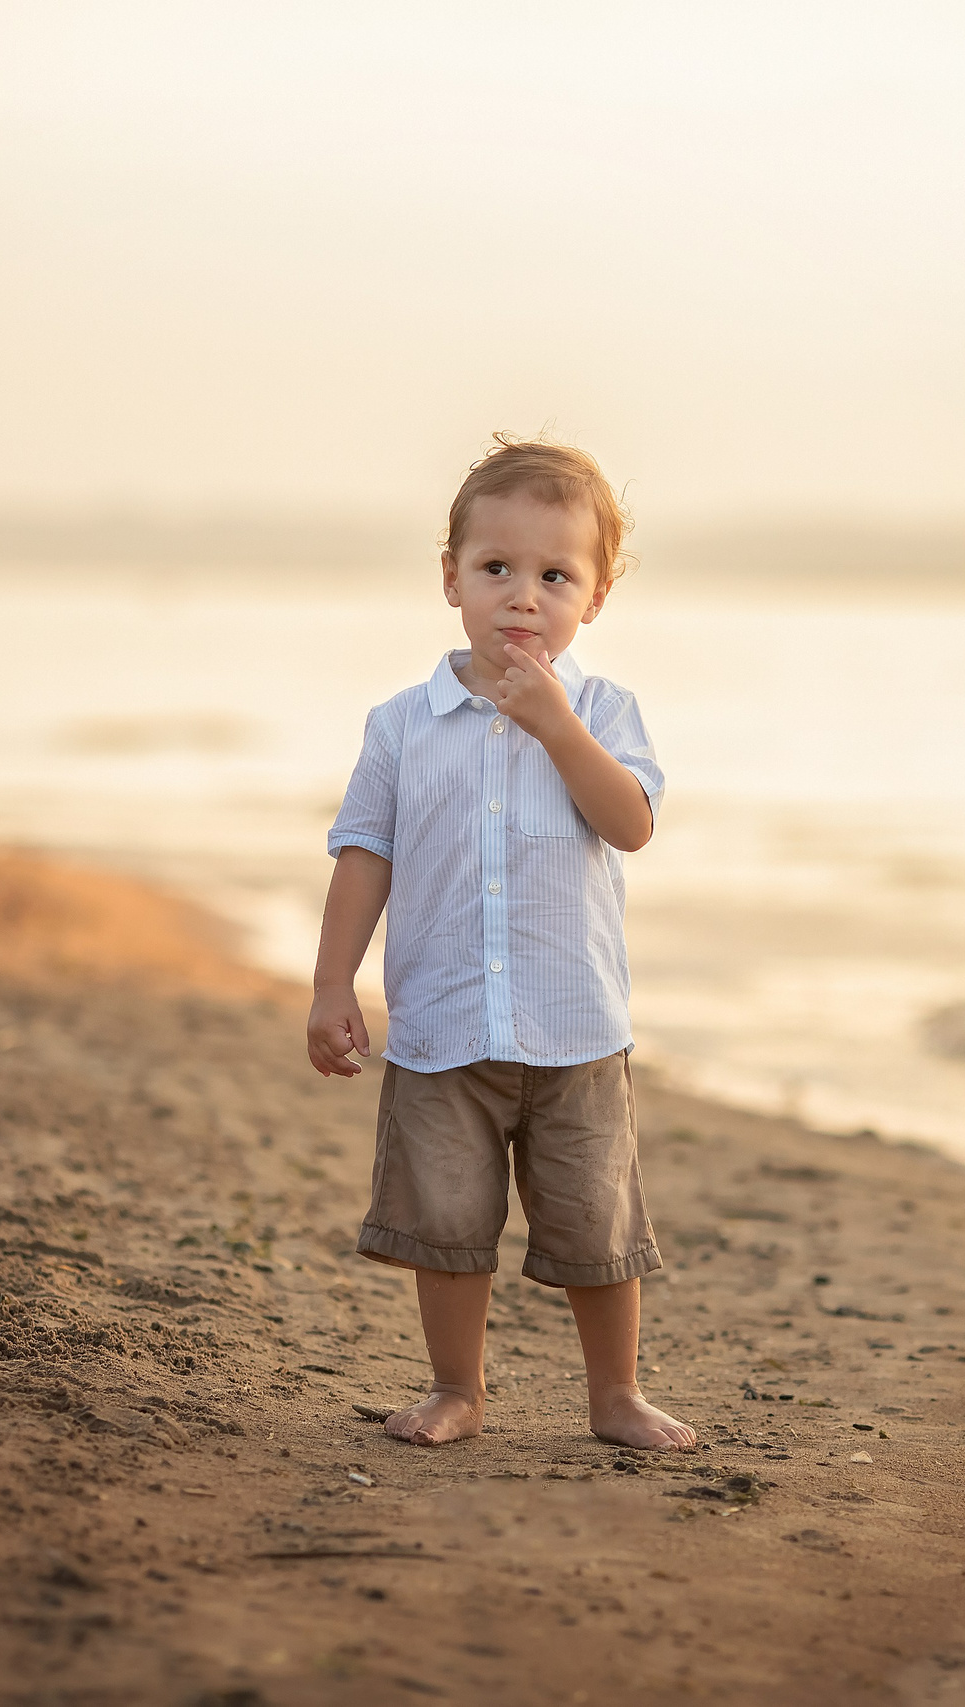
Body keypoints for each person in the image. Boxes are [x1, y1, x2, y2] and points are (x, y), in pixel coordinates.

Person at [306, 436, 695, 1453]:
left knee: (596, 1230)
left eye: (555, 577)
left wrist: (559, 728)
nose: (524, 598)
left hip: (574, 1032)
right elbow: (363, 855)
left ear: (594, 599)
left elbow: (631, 823)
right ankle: (456, 1389)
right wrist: (330, 985)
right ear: (451, 580)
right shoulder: (401, 726)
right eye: (497, 570)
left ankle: (614, 1394)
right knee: (447, 1224)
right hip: (443, 1030)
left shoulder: (604, 713)